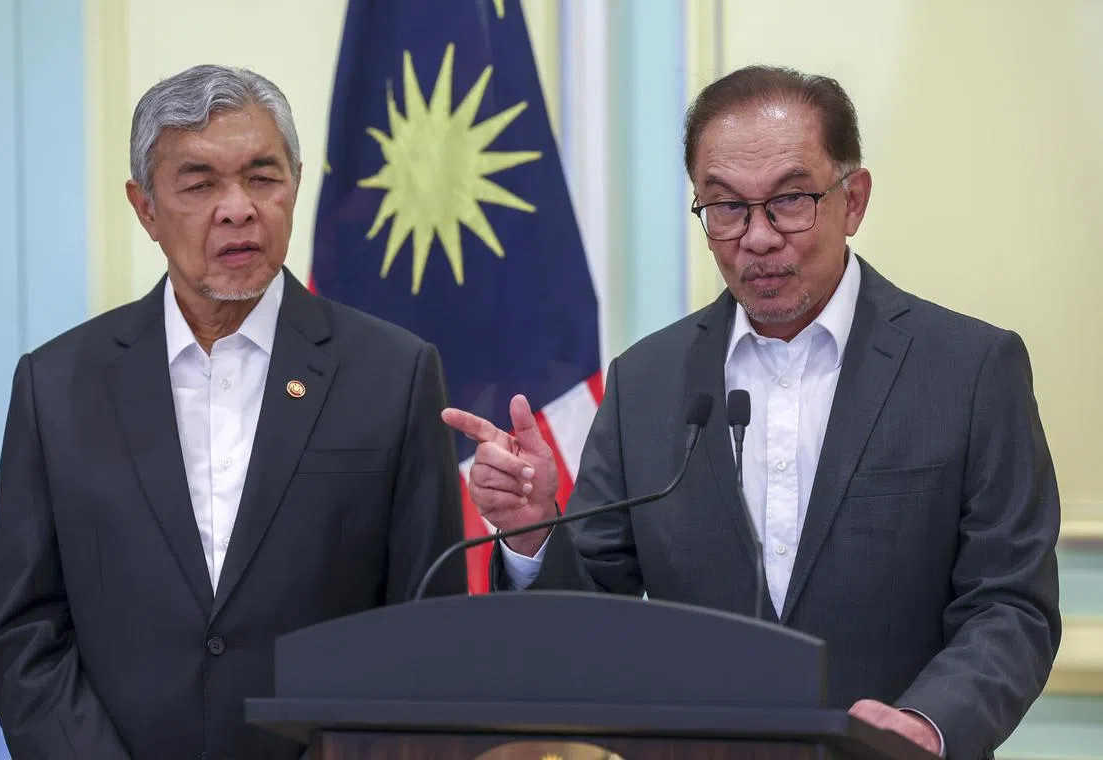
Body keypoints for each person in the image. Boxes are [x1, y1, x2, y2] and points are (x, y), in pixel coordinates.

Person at [443, 65, 1060, 760]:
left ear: (852, 199)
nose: (759, 238)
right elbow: (592, 614)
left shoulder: (970, 369)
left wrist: (928, 724)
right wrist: (531, 536)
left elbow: (1010, 605)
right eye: (726, 208)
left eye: (790, 200)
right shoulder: (647, 381)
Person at [0, 64, 467, 760]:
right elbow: (25, 636)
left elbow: (425, 629)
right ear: (145, 207)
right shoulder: (57, 385)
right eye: (200, 183)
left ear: (296, 183)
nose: (237, 207)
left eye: (262, 177)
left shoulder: (394, 374)